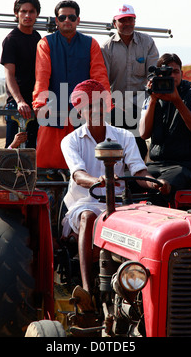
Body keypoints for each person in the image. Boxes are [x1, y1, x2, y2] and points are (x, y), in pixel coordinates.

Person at [60, 79, 170, 303]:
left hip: (119, 205)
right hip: (85, 202)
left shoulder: (124, 137)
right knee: (89, 216)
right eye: (89, 107)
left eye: (100, 105)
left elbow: (139, 172)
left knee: (147, 220)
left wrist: (155, 183)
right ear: (80, 111)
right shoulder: (70, 141)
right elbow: (78, 175)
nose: (96, 111)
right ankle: (87, 291)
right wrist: (97, 180)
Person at [32, 0, 110, 169]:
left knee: (86, 162)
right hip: (54, 110)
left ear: (78, 20)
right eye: (63, 17)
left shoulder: (91, 43)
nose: (67, 20)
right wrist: (40, 104)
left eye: (71, 17)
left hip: (84, 112)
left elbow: (99, 77)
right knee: (47, 163)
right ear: (56, 20)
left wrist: (106, 104)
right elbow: (42, 76)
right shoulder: (45, 43)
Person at [139, 53, 191, 204]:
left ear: (182, 74)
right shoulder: (151, 97)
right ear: (156, 76)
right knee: (129, 180)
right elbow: (144, 134)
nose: (171, 76)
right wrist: (153, 100)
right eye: (166, 73)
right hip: (155, 165)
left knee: (161, 186)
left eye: (175, 72)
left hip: (185, 166)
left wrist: (177, 101)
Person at [100, 4, 159, 160]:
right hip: (116, 106)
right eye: (122, 20)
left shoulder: (147, 43)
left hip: (141, 104)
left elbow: (153, 74)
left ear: (135, 21)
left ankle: (138, 178)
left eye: (130, 19)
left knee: (139, 148)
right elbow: (103, 79)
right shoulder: (106, 48)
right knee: (117, 148)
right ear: (114, 23)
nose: (127, 23)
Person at [0, 0, 41, 149]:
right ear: (16, 14)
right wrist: (19, 101)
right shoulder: (11, 40)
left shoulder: (38, 38)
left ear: (37, 14)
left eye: (31, 11)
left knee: (33, 151)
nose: (27, 15)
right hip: (17, 106)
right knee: (12, 152)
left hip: (36, 104)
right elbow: (9, 75)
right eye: (23, 11)